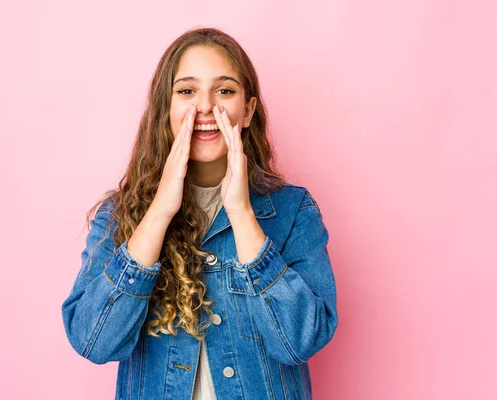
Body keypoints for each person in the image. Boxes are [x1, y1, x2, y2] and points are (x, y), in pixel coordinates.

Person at [61, 27, 338, 400]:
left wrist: (241, 213)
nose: (205, 106)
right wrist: (158, 213)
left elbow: (301, 341)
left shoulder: (293, 211)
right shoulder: (118, 215)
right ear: (167, 108)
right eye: (187, 91)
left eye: (224, 90)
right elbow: (93, 341)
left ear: (248, 110)